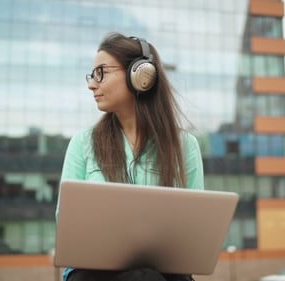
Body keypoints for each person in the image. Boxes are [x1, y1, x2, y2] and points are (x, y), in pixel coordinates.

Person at [57, 32, 204, 281]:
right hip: (91, 272)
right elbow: (68, 225)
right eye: (92, 75)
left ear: (140, 75)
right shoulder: (82, 143)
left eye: (101, 73)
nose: (92, 84)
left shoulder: (185, 146)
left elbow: (195, 230)